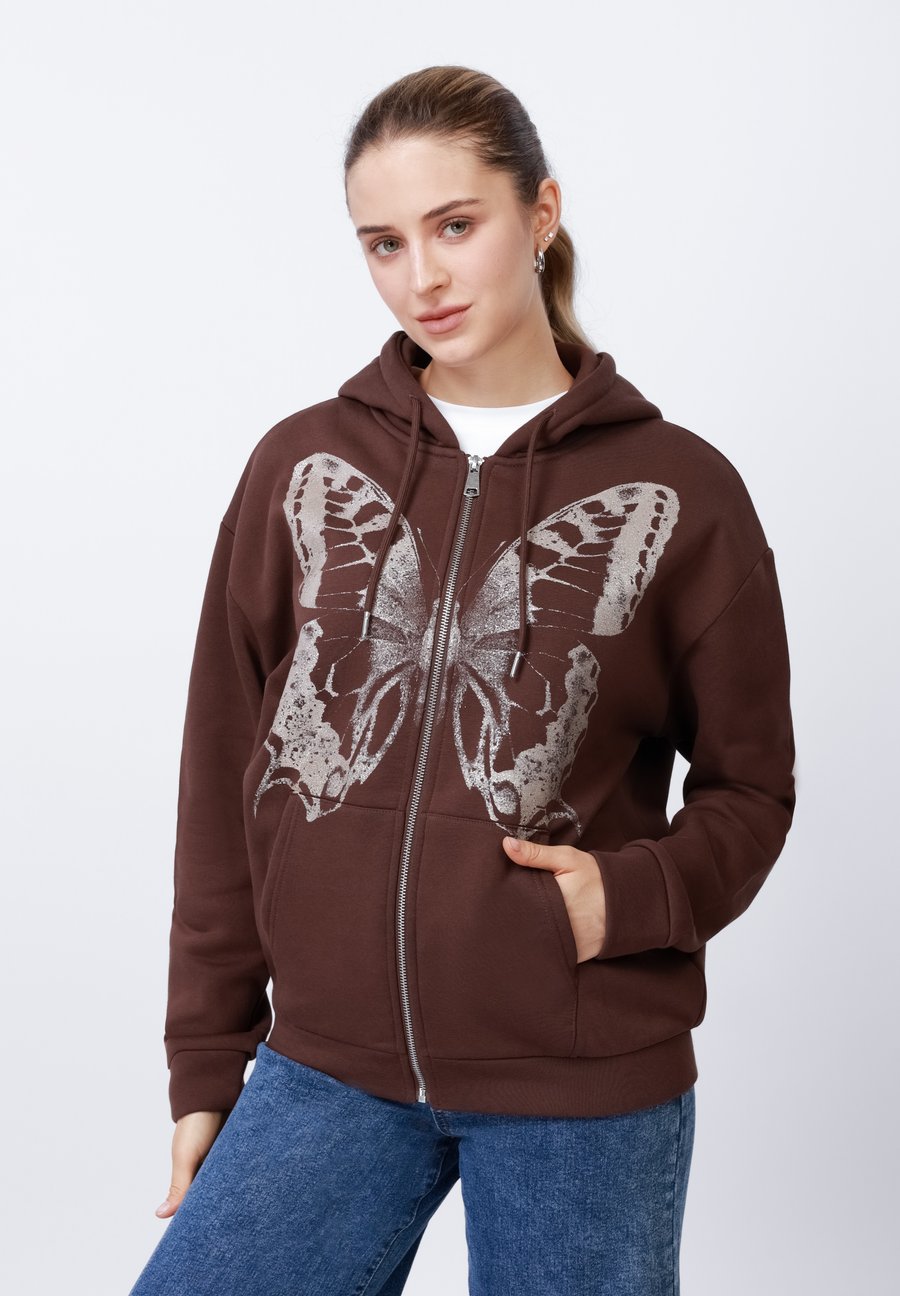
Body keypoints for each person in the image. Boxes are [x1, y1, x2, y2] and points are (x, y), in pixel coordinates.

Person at [129, 64, 796, 1296]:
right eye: (383, 243)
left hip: (582, 1085)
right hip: (327, 1068)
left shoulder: (682, 493)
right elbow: (225, 775)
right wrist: (207, 1061)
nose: (420, 277)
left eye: (454, 225)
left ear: (540, 214)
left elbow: (752, 789)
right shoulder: (303, 466)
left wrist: (626, 899)